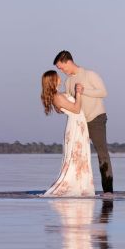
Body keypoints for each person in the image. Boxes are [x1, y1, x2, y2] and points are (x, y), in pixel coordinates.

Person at [53, 50, 113, 193]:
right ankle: (78, 188)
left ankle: (108, 191)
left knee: (102, 154)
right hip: (79, 124)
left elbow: (104, 92)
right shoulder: (68, 82)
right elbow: (69, 102)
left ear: (68, 62)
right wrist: (58, 107)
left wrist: (83, 90)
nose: (61, 71)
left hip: (96, 118)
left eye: (61, 67)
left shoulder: (89, 74)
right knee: (77, 156)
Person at [40, 70, 95, 197]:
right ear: (53, 80)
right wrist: (78, 93)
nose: (60, 78)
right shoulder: (57, 97)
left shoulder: (59, 95)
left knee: (81, 156)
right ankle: (74, 186)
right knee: (75, 157)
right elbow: (76, 109)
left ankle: (81, 185)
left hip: (79, 125)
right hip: (75, 126)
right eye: (57, 77)